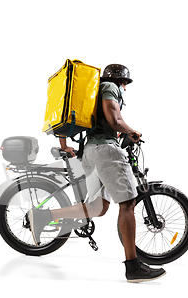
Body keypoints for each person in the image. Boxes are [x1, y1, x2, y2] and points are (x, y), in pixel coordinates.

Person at [27, 64, 166, 283]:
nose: (125, 89)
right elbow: (115, 120)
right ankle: (133, 267)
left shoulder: (90, 93)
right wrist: (132, 131)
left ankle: (44, 216)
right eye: (125, 84)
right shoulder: (110, 86)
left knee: (97, 208)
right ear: (121, 80)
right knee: (128, 204)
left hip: (91, 152)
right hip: (106, 151)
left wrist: (64, 145)